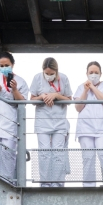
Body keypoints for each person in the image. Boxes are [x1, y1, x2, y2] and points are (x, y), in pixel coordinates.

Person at [0, 51, 29, 180]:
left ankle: (7, 183)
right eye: (1, 65)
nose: (4, 68)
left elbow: (23, 103)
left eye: (6, 65)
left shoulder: (20, 81)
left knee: (8, 156)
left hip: (9, 124)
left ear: (13, 64)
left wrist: (14, 89)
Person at [29, 58, 72, 187]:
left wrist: (57, 96)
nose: (49, 76)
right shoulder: (37, 78)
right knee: (44, 153)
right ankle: (45, 183)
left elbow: (69, 100)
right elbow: (31, 100)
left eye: (51, 73)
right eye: (46, 73)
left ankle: (58, 183)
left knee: (58, 153)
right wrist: (42, 97)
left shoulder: (63, 78)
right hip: (43, 121)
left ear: (56, 71)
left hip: (59, 121)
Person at [74, 61, 103, 187]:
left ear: (101, 74)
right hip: (85, 128)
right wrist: (86, 91)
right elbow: (78, 108)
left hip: (102, 129)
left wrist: (92, 87)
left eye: (96, 72)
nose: (93, 75)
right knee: (88, 159)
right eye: (91, 72)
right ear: (86, 74)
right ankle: (88, 187)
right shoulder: (81, 87)